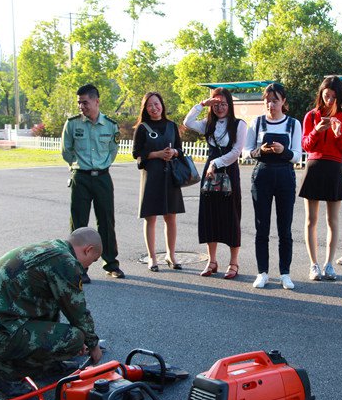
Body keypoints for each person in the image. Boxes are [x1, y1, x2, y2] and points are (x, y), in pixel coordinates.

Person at [0, 227, 104, 397]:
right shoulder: (66, 263)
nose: (88, 267)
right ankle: (1, 374)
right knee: (73, 339)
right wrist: (93, 346)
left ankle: (45, 366)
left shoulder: (52, 248)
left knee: (51, 307)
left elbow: (50, 305)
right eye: (93, 260)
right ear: (88, 250)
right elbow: (78, 312)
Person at [61, 83, 124, 283]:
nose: (81, 106)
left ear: (96, 101)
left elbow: (113, 150)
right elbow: (66, 150)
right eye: (79, 103)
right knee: (78, 223)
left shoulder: (110, 125)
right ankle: (78, 267)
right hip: (80, 177)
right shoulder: (72, 124)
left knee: (106, 221)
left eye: (85, 102)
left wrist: (101, 165)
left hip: (103, 178)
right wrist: (78, 165)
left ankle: (111, 263)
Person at [242, 83, 302, 290]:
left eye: (275, 100)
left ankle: (285, 273)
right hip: (262, 175)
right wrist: (261, 150)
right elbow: (246, 152)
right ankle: (262, 272)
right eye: (267, 100)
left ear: (283, 101)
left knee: (285, 228)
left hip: (285, 176)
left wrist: (283, 150)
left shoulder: (293, 124)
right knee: (262, 227)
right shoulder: (257, 122)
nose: (271, 104)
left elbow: (297, 156)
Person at [184, 88, 247, 279]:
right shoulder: (208, 124)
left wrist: (215, 163)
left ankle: (233, 263)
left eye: (223, 103)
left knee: (231, 216)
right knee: (209, 215)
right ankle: (212, 261)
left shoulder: (239, 124)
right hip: (210, 175)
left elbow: (237, 152)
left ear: (230, 105)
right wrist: (202, 105)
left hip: (228, 172)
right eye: (216, 104)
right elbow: (187, 122)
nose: (220, 107)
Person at [300, 76, 342, 281]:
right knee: (310, 220)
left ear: (339, 97)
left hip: (333, 168)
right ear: (321, 95)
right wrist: (316, 131)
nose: (329, 100)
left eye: (333, 97)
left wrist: (338, 134)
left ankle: (329, 264)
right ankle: (313, 264)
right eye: (326, 96)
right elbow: (306, 145)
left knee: (332, 220)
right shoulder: (311, 116)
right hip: (314, 167)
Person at [132, 92, 185, 271]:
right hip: (151, 176)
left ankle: (171, 255)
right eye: (150, 105)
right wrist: (157, 154)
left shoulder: (172, 125)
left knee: (171, 217)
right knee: (151, 218)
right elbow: (136, 153)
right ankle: (152, 258)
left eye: (157, 104)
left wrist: (174, 153)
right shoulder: (142, 128)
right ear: (145, 109)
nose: (154, 108)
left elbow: (180, 149)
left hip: (170, 175)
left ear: (162, 105)